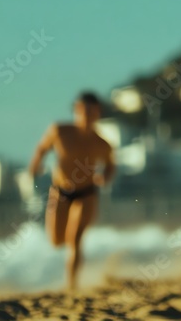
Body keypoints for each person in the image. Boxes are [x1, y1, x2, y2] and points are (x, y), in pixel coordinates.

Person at [29, 92, 116, 290]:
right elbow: (42, 147)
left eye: (91, 111)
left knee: (75, 238)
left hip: (87, 193)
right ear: (76, 110)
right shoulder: (59, 131)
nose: (86, 115)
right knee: (56, 240)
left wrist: (106, 177)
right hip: (59, 192)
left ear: (98, 113)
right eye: (83, 110)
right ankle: (72, 279)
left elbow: (111, 165)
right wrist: (36, 164)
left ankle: (71, 286)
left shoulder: (102, 143)